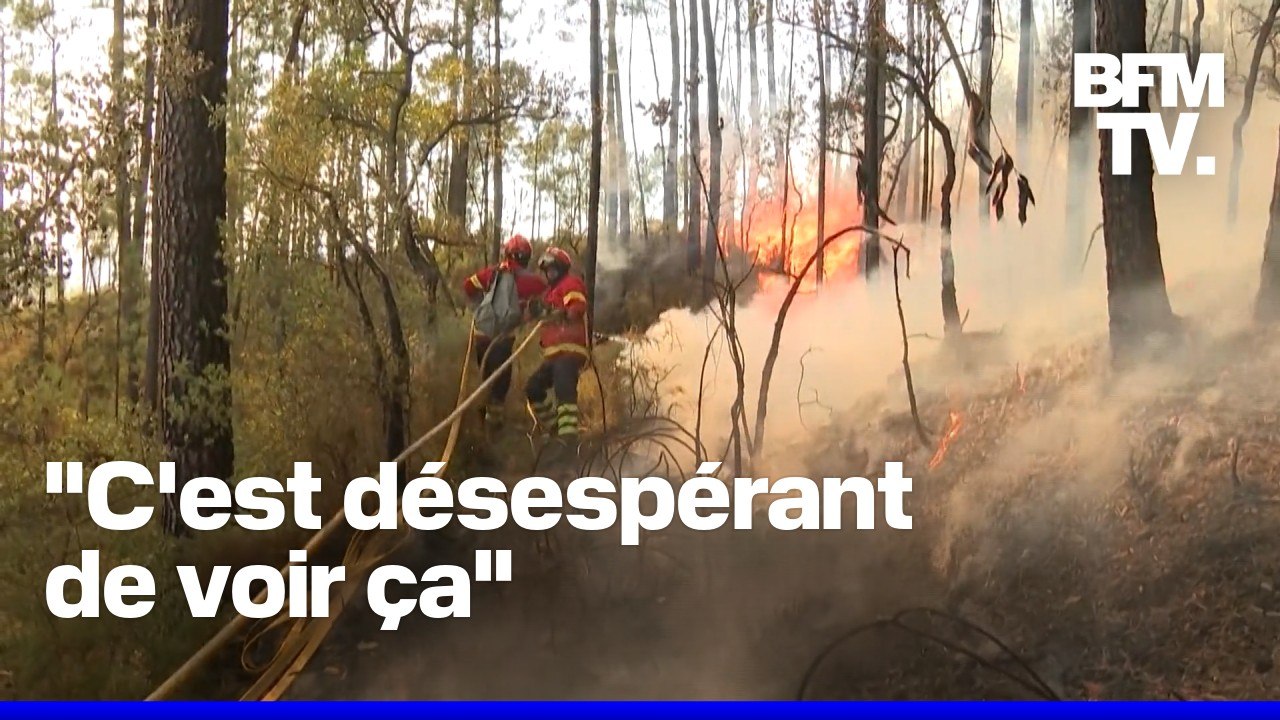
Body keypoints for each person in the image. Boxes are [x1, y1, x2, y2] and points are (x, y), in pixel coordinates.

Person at [461, 234, 547, 429]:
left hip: (482, 335)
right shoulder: (529, 280)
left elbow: (468, 286)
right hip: (503, 338)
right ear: (526, 257)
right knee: (500, 383)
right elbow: (547, 293)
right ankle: (493, 426)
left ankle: (484, 421)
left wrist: (482, 306)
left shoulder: (491, 273)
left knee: (486, 380)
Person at [526, 246, 591, 441]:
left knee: (564, 390)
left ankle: (568, 439)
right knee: (533, 388)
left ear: (562, 268)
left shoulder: (571, 283)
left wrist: (557, 312)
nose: (549, 273)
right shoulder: (549, 293)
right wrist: (536, 310)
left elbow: (576, 308)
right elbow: (537, 315)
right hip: (553, 355)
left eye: (553, 269)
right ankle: (555, 428)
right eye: (547, 270)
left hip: (570, 351)